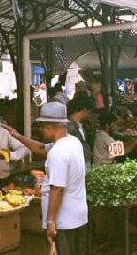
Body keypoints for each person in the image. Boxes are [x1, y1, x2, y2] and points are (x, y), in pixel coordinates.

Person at [37, 102, 88, 255]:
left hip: (63, 221)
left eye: (43, 126)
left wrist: (51, 221)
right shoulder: (73, 141)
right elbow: (40, 148)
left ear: (54, 126)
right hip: (78, 215)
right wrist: (18, 136)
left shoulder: (57, 152)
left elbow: (57, 189)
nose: (40, 130)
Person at [67, 94, 95, 170]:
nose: (91, 115)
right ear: (85, 110)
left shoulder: (82, 126)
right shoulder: (69, 126)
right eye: (91, 112)